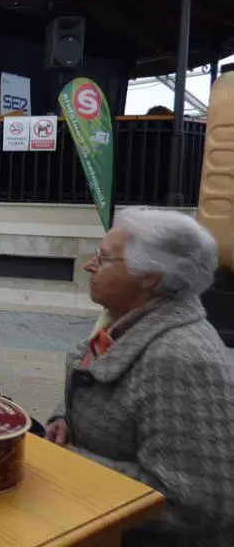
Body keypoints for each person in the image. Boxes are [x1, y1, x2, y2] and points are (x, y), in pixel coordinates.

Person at [44, 208, 234, 546]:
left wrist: (71, 464)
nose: (89, 265)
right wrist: (64, 418)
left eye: (103, 258)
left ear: (150, 276)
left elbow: (196, 505)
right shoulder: (123, 323)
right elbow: (101, 390)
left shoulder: (180, 359)